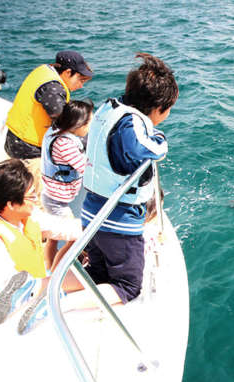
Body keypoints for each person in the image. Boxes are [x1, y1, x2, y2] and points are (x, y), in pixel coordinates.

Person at [0, 159, 117, 333]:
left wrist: (110, 231)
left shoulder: (26, 215)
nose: (36, 200)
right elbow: (14, 290)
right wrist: (77, 282)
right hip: (2, 321)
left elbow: (65, 229)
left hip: (35, 298)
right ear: (11, 204)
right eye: (31, 196)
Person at [81, 52, 178, 305]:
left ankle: (39, 288)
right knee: (128, 287)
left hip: (92, 212)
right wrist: (161, 140)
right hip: (118, 221)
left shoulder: (109, 108)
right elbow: (146, 148)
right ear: (159, 108)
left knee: (97, 273)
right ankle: (52, 303)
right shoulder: (131, 124)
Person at [5, 50, 93, 202]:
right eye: (80, 80)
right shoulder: (52, 88)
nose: (80, 86)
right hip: (29, 152)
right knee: (35, 200)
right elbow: (67, 124)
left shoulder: (44, 72)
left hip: (13, 140)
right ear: (67, 72)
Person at [40, 99, 93, 267]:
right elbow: (86, 167)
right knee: (74, 238)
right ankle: (56, 273)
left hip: (50, 195)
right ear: (78, 125)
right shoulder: (64, 145)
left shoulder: (54, 131)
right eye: (89, 123)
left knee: (54, 239)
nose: (90, 127)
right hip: (57, 201)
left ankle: (49, 267)